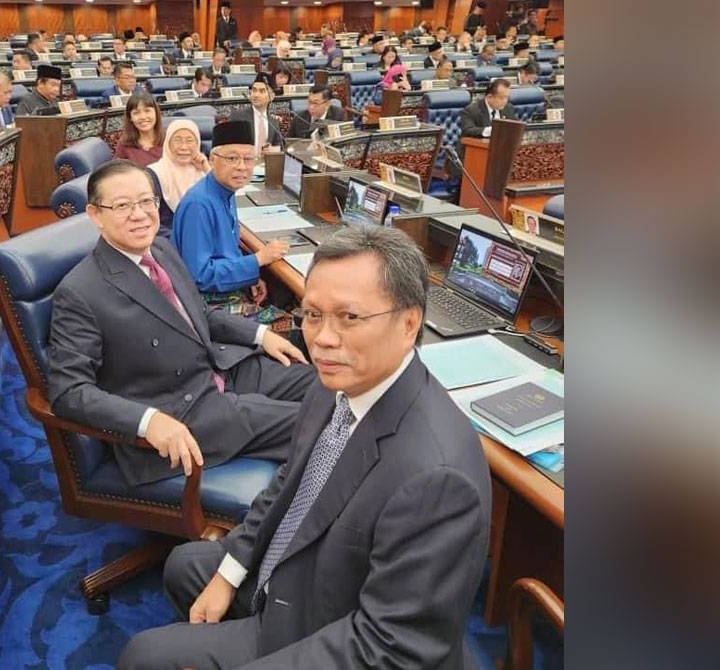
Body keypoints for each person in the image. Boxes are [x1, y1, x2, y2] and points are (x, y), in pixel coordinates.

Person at [117, 225, 491, 670]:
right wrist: (230, 572)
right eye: (312, 315)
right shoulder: (336, 383)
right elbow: (288, 484)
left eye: (349, 318)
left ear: (408, 324)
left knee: (143, 657)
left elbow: (390, 648)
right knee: (186, 567)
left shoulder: (437, 478)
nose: (323, 339)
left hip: (336, 625)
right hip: (300, 569)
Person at [46, 159, 316, 487]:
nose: (140, 213)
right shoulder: (79, 292)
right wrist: (148, 422)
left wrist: (260, 335)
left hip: (219, 366)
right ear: (95, 215)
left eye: (147, 201)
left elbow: (197, 312)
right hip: (178, 407)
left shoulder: (160, 247)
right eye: (122, 205)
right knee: (317, 423)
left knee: (325, 386)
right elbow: (68, 391)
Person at [172, 120, 289, 297]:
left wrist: (248, 277)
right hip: (206, 304)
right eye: (232, 158)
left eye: (248, 159)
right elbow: (200, 276)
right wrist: (257, 259)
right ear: (212, 159)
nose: (241, 167)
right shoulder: (199, 204)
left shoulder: (226, 189)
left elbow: (227, 253)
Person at [147, 119, 211, 239]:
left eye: (190, 140)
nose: (183, 147)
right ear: (167, 144)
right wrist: (185, 238)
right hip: (172, 243)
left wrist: (207, 169)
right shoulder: (153, 174)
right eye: (177, 140)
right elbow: (150, 220)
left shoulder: (202, 171)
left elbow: (222, 203)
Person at [228, 75, 284, 155]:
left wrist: (273, 150)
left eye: (262, 91)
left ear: (271, 97)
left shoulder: (273, 122)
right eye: (254, 90)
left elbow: (280, 148)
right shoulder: (238, 117)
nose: (256, 95)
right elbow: (229, 146)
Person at [460, 78, 514, 151]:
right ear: (489, 97)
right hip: (476, 151)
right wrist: (493, 131)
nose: (505, 101)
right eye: (501, 98)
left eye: (507, 97)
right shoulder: (471, 110)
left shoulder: (508, 108)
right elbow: (468, 130)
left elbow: (515, 126)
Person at [113, 91, 164, 166]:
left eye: (147, 111)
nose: (143, 117)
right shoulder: (124, 144)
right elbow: (118, 173)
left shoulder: (169, 139)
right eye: (136, 113)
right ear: (130, 117)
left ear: (156, 113)